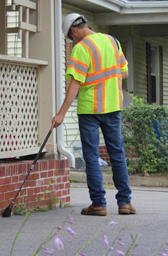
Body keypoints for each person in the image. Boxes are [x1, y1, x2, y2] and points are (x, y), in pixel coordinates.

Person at [51, 13, 136, 216]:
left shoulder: (81, 48)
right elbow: (124, 72)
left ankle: (98, 203)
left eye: (71, 38)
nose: (72, 41)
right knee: (117, 155)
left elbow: (75, 84)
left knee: (91, 157)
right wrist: (107, 76)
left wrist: (61, 114)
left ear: (73, 31)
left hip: (90, 110)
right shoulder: (112, 41)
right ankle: (125, 203)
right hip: (113, 106)